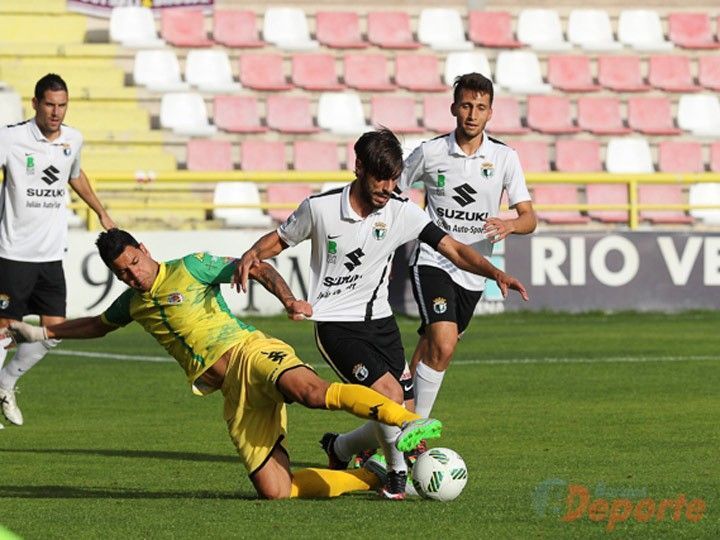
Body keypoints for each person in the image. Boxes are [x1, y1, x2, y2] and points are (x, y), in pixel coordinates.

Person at [1, 228, 443, 499]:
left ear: (144, 248)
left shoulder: (191, 267)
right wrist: (40, 332)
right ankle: (370, 478)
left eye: (134, 262)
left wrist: (288, 298)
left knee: (308, 392)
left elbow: (254, 266)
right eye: (123, 273)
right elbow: (96, 325)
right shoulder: (133, 304)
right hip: (234, 395)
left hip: (252, 354)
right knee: (277, 490)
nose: (133, 274)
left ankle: (406, 421)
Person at [234, 128, 529, 499]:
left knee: (400, 411)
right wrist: (252, 253)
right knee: (389, 399)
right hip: (336, 325)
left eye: (393, 179)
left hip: (381, 323)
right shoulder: (320, 208)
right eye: (380, 178)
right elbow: (279, 239)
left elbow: (453, 249)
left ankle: (339, 448)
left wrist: (495, 272)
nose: (388, 187)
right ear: (359, 168)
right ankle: (396, 475)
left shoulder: (400, 212)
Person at [398, 72, 537, 434]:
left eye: (480, 107)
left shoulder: (505, 158)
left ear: (490, 113)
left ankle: (373, 434)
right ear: (453, 108)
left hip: (474, 271)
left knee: (431, 349)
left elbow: (530, 217)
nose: (472, 114)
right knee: (443, 344)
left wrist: (510, 224)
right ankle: (413, 433)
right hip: (434, 259)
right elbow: (394, 191)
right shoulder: (430, 152)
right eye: (465, 106)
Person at [0, 73, 115, 429]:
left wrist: (99, 209)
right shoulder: (11, 138)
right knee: (3, 329)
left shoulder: (73, 139)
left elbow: (74, 174)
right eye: (49, 104)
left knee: (56, 331)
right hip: (13, 253)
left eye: (62, 105)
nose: (56, 112)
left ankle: (5, 383)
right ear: (35, 104)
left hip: (50, 256)